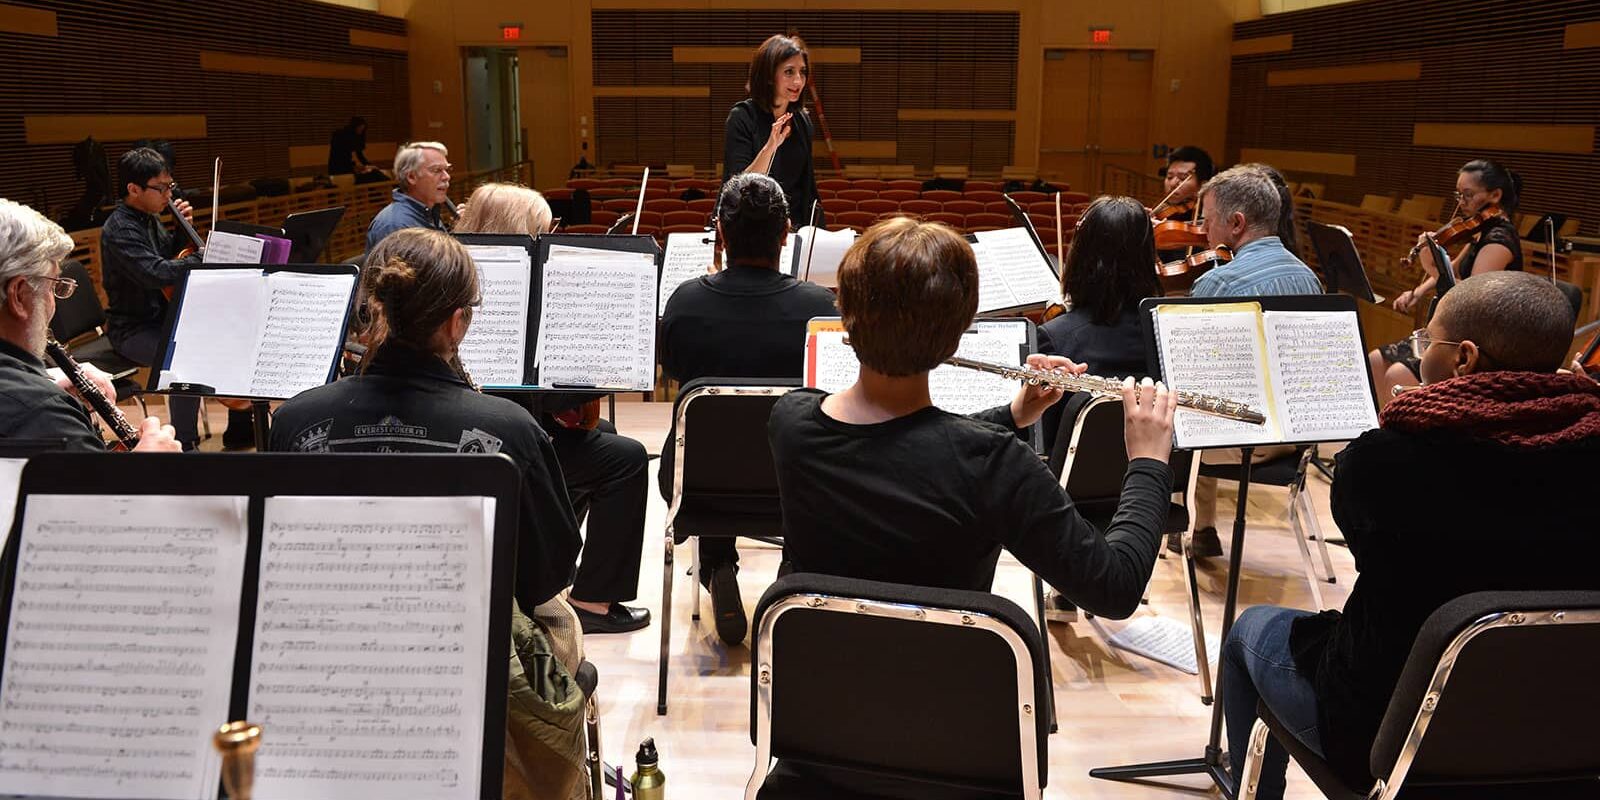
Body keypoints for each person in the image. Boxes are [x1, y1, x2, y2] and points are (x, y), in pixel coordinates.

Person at [1221, 271, 1600, 799]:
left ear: (1463, 359)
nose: (1421, 354)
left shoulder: (1387, 462)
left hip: (1388, 743)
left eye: (1428, 341)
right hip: (1561, 743)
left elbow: (1365, 545)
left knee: (1250, 630)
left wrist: (1398, 424)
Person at [768, 217, 1176, 609]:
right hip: (944, 676)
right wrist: (1148, 461)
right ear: (958, 334)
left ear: (843, 313)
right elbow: (1115, 587)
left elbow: (905, 449)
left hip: (814, 670)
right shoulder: (996, 464)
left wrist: (1013, 414)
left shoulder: (790, 421)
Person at [455, 182, 652, 634]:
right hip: (492, 435)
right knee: (623, 458)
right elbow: (530, 396)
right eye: (544, 231)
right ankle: (591, 600)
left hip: (484, 422)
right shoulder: (520, 289)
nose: (552, 239)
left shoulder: (453, 272)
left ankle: (543, 570)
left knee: (598, 437)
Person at [658, 172, 837, 645]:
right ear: (785, 234)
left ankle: (717, 564)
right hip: (796, 481)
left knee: (721, 441)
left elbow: (674, 370)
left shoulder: (686, 302)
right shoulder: (819, 309)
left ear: (720, 231)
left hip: (694, 482)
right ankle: (790, 577)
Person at [1185, 165, 1323, 556]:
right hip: (1297, 443)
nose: (1204, 231)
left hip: (1245, 440)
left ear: (1236, 223)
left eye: (1208, 220)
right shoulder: (1308, 277)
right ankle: (1203, 530)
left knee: (1167, 416)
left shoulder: (1219, 283)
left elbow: (1191, 378)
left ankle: (1184, 529)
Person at [100, 147, 251, 450]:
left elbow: (170, 254)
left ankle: (241, 427)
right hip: (133, 329)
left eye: (170, 185)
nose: (168, 194)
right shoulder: (119, 229)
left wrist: (184, 230)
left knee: (231, 333)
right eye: (161, 188)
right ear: (134, 189)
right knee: (185, 359)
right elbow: (155, 273)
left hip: (166, 320)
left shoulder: (150, 216)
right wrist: (200, 256)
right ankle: (185, 443)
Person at [0, 198, 179, 451]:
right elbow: (103, 490)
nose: (53, 305)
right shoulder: (45, 415)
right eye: (54, 288)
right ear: (18, 296)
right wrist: (148, 464)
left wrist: (50, 377)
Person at [1369, 159, 1523, 399]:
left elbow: (1471, 298)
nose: (1461, 203)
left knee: (1396, 376)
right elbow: (1453, 269)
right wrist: (1417, 292)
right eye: (1458, 195)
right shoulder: (1481, 232)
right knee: (1376, 361)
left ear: (1495, 195)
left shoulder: (1499, 242)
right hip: (1457, 330)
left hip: (1476, 344)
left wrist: (1431, 267)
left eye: (1468, 195)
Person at [722, 34, 821, 229]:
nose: (798, 81)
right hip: (746, 228)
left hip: (790, 229)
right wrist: (770, 147)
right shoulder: (742, 117)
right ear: (768, 76)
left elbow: (807, 189)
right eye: (789, 72)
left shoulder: (802, 121)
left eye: (802, 72)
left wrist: (816, 232)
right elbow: (738, 189)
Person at [366, 141, 451, 253]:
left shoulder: (428, 212)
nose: (446, 177)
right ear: (411, 177)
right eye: (437, 170)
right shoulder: (394, 225)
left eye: (447, 170)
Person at [1155, 145, 1215, 264]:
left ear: (1203, 185)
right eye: (1169, 177)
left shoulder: (1210, 218)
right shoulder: (1162, 213)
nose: (1173, 183)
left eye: (1183, 178)